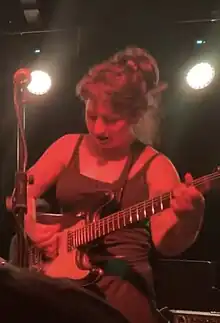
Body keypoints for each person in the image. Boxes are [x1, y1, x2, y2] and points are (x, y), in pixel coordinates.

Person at [22, 46, 204, 323]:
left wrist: (189, 216)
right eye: (92, 116)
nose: (98, 129)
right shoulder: (67, 147)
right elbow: (21, 194)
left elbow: (167, 245)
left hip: (121, 292)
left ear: (134, 116)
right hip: (60, 282)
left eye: (111, 120)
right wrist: (31, 226)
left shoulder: (156, 166)